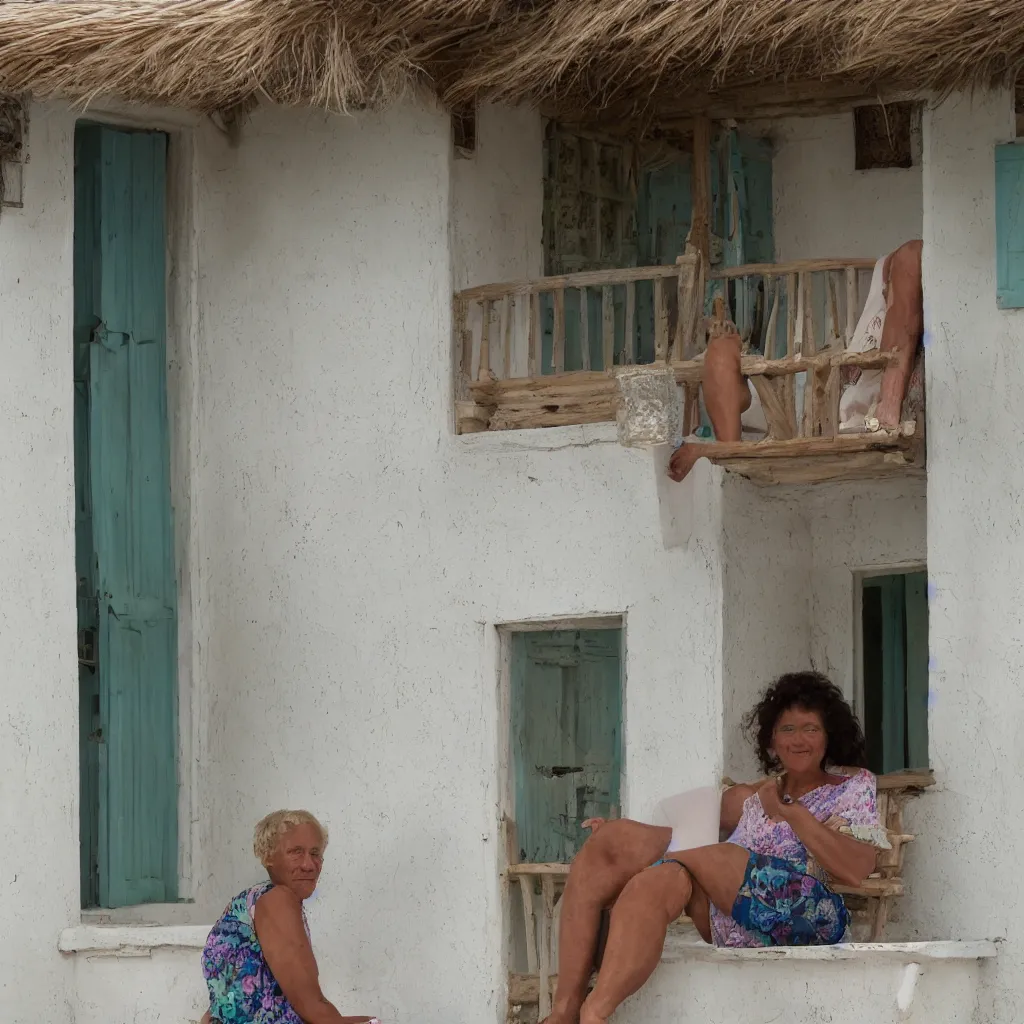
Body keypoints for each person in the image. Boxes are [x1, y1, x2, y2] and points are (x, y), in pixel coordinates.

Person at [541, 672, 884, 1024]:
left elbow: (858, 868)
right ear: (772, 741)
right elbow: (690, 833)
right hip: (734, 921)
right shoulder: (751, 799)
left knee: (714, 856)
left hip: (810, 918)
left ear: (828, 737)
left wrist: (794, 814)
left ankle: (653, 863)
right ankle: (582, 1013)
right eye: (787, 729)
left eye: (811, 728)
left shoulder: (852, 787)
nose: (799, 739)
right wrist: (615, 841)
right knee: (651, 876)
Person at [668, 239, 923, 482]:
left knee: (722, 356)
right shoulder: (891, 292)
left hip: (807, 410)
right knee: (722, 354)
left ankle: (727, 439)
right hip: (793, 396)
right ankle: (728, 437)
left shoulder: (910, 270)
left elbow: (910, 256)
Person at [200, 809, 379, 1024]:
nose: (309, 865)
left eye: (315, 853)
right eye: (296, 852)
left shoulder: (248, 904)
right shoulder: (277, 900)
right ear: (268, 857)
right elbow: (313, 1007)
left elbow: (220, 1006)